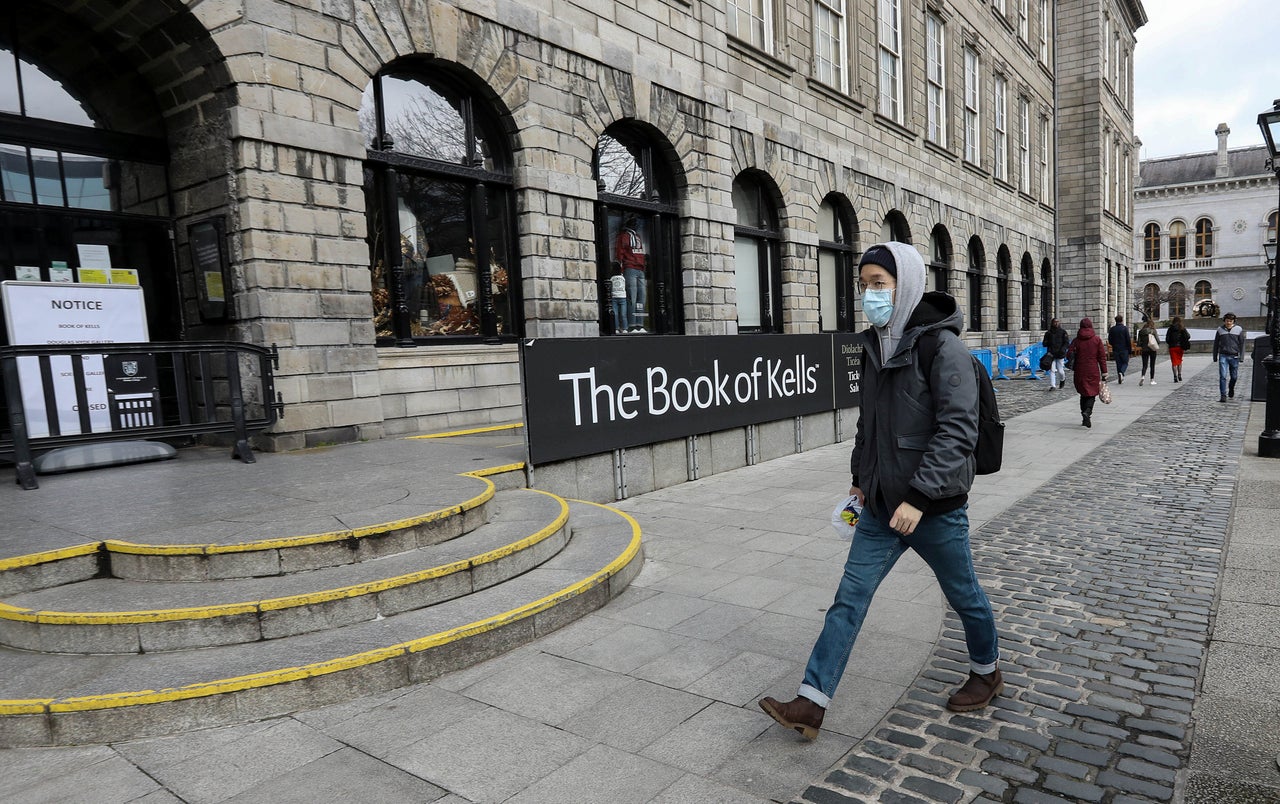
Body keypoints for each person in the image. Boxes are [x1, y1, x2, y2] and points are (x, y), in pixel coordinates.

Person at [758, 242, 1001, 741]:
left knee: (964, 596)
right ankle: (812, 701)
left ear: (904, 284)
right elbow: (868, 425)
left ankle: (987, 669)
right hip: (880, 505)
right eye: (864, 284)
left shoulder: (943, 347)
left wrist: (919, 498)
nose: (869, 293)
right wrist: (858, 477)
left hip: (933, 508)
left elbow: (958, 430)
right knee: (849, 599)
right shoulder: (873, 344)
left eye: (879, 284)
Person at [1067, 317, 1108, 428]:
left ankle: (1084, 416)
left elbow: (1069, 354)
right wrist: (1104, 372)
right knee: (1091, 393)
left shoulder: (1076, 340)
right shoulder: (1096, 340)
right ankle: (1088, 412)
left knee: (1083, 393)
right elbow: (1102, 357)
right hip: (1092, 370)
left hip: (1080, 370)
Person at [615, 218, 647, 333]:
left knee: (641, 298)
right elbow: (620, 253)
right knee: (632, 298)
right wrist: (621, 268)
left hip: (640, 269)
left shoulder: (637, 236)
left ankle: (640, 324)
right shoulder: (624, 236)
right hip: (630, 268)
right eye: (634, 223)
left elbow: (641, 252)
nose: (636, 225)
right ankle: (632, 325)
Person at [1212, 312, 1246, 402]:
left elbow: (1242, 343)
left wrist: (1241, 356)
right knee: (1223, 376)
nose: (1229, 323)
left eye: (1230, 321)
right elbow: (1216, 344)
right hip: (1223, 355)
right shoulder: (1220, 330)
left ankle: (1231, 388)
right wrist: (1215, 356)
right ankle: (1223, 395)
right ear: (1224, 321)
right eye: (1227, 321)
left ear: (1233, 321)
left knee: (1234, 377)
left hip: (1234, 356)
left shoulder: (1238, 330)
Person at [1041, 318, 1070, 390]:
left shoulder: (1063, 332)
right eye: (1054, 322)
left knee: (1060, 371)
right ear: (1052, 323)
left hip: (1060, 354)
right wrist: (1048, 343)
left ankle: (1062, 380)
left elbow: (1066, 343)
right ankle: (1053, 385)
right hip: (1051, 354)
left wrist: (1063, 349)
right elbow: (1044, 343)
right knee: (1052, 370)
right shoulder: (1048, 333)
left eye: (1057, 322)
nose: (1056, 323)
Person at [1165, 315, 1191, 382]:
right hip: (1180, 347)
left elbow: (1167, 339)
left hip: (1172, 347)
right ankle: (1179, 374)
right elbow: (1188, 336)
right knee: (1179, 361)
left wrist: (1170, 343)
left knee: (1174, 362)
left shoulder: (1170, 328)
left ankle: (1175, 377)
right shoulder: (1182, 328)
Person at [1107, 315, 1132, 384]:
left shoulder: (1112, 329)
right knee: (1125, 362)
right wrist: (1130, 350)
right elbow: (1128, 340)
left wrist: (1113, 345)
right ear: (1122, 320)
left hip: (1115, 349)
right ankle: (1122, 372)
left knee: (1118, 363)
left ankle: (1119, 378)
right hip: (1124, 349)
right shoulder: (1124, 329)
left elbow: (1110, 340)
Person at [1136, 317, 1159, 386]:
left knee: (1144, 365)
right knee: (1152, 365)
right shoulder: (1153, 331)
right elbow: (1158, 340)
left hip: (1144, 349)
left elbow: (1139, 343)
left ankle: (1143, 376)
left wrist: (1143, 344)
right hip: (1152, 349)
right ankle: (1152, 380)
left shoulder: (1141, 331)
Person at [608, 263, 629, 334]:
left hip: (615, 297)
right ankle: (624, 328)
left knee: (616, 314)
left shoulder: (611, 278)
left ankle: (617, 328)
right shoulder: (623, 277)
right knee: (623, 314)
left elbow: (610, 287)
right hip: (622, 297)